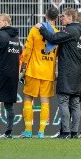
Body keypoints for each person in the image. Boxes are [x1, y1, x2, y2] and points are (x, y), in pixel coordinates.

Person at [36, 8, 81, 139]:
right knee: (75, 103)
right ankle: (74, 132)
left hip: (67, 71)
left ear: (70, 18)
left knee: (63, 101)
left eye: (63, 16)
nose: (60, 18)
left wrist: (41, 28)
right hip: (78, 70)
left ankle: (65, 132)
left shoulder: (70, 30)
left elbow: (52, 38)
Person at [18, 7, 59, 139]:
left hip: (33, 71)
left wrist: (23, 68)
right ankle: (41, 132)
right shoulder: (57, 33)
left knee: (28, 99)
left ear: (45, 16)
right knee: (45, 101)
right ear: (57, 18)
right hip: (48, 72)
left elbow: (27, 51)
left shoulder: (35, 30)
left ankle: (28, 131)